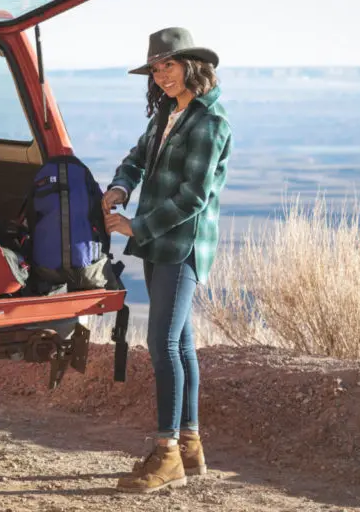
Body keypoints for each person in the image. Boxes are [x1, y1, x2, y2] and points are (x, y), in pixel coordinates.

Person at [102, 27, 233, 494]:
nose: (161, 76)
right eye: (155, 69)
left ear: (193, 67)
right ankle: (191, 445)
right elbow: (136, 158)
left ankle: (167, 454)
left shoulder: (210, 123)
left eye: (168, 66)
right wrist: (120, 187)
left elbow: (193, 197)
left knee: (161, 344)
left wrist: (136, 226)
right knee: (181, 346)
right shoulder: (166, 115)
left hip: (183, 246)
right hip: (161, 244)